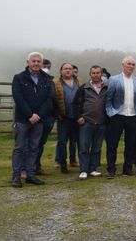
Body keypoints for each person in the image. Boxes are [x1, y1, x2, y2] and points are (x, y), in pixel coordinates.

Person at [11, 52, 52, 187]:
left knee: (34, 148)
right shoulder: (19, 78)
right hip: (23, 120)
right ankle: (16, 177)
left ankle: (31, 175)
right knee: (19, 148)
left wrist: (38, 115)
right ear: (28, 62)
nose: (36, 63)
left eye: (38, 61)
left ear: (41, 63)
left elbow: (48, 100)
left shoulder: (47, 79)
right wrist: (30, 115)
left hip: (39, 120)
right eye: (33, 61)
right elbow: (18, 98)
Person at [105, 56, 136, 178]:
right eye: (129, 64)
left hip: (133, 116)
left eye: (133, 64)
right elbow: (108, 98)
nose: (131, 66)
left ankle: (127, 168)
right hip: (118, 115)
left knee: (130, 144)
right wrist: (111, 113)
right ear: (123, 65)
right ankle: (111, 169)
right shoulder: (114, 79)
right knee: (113, 144)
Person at [72, 65, 108, 179]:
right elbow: (75, 104)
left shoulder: (107, 87)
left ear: (101, 74)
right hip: (86, 122)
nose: (96, 75)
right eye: (93, 73)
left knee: (97, 147)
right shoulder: (83, 88)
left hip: (101, 122)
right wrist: (78, 117)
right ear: (90, 74)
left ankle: (93, 168)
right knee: (84, 147)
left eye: (98, 73)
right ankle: (83, 170)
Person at [54, 63, 85, 173]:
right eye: (65, 69)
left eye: (70, 69)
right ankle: (63, 165)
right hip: (64, 118)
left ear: (73, 71)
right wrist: (57, 114)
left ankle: (82, 165)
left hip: (78, 118)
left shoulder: (80, 82)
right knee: (62, 142)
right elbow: (53, 100)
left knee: (80, 142)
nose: (68, 70)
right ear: (61, 71)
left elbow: (85, 98)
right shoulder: (56, 83)